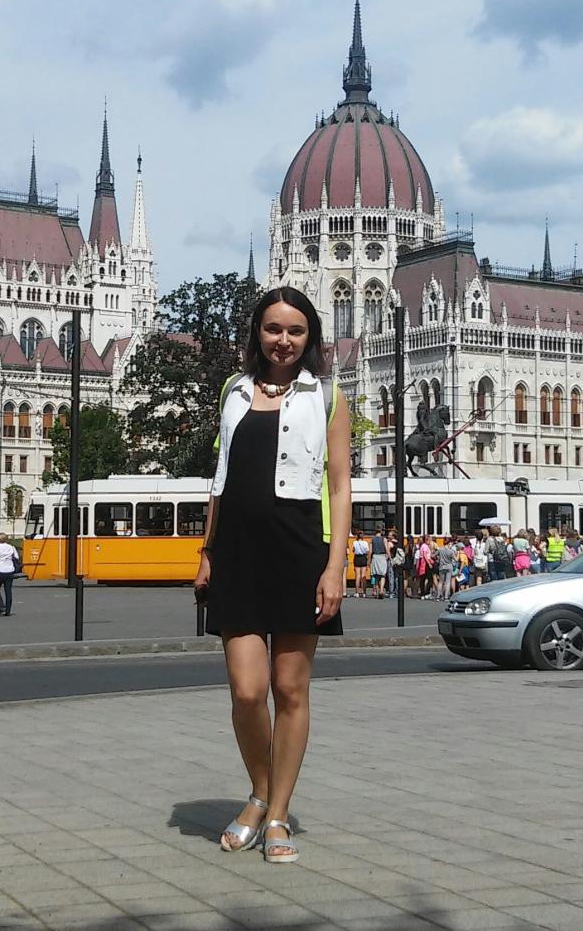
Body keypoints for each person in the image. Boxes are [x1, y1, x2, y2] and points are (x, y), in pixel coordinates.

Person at [193, 285, 348, 863]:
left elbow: (339, 485)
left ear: (310, 338)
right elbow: (220, 477)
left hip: (300, 548)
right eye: (274, 328)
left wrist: (335, 567)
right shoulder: (233, 391)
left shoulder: (327, 395)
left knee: (289, 689)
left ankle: (277, 812)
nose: (284, 340)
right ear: (258, 333)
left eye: (296, 331)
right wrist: (207, 550)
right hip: (237, 550)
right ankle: (259, 791)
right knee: (247, 690)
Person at [0, 532, 19, 617]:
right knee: (8, 591)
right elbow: (16, 557)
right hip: (10, 571)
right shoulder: (11, 547)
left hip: (0, 570)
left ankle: (2, 607)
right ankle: (8, 610)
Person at [369, 528, 388, 599]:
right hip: (382, 557)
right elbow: (387, 549)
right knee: (383, 575)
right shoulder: (384, 539)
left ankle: (377, 593)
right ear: (381, 532)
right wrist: (389, 557)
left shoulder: (372, 539)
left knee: (375, 576)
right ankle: (381, 591)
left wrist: (369, 560)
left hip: (375, 557)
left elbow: (370, 551)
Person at [351, 531, 370, 597]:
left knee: (357, 576)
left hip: (357, 558)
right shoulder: (365, 543)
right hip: (363, 558)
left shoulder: (354, 542)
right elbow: (367, 552)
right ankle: (364, 592)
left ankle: (357, 592)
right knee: (363, 575)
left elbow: (353, 550)